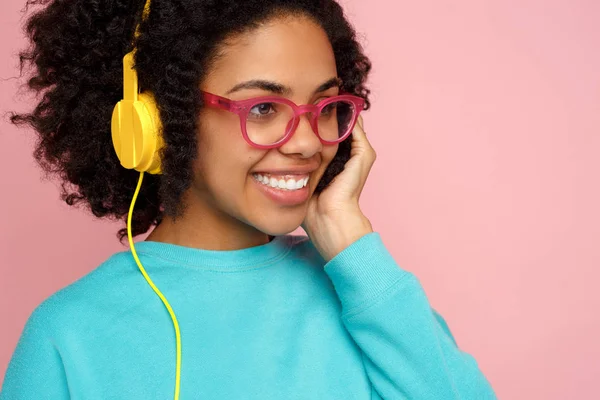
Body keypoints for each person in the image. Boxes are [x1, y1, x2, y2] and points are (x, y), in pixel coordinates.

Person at [1, 0, 497, 399]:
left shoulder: (366, 294)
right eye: (263, 107)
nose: (307, 142)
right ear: (160, 120)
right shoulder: (69, 335)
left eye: (324, 106)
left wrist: (351, 242)